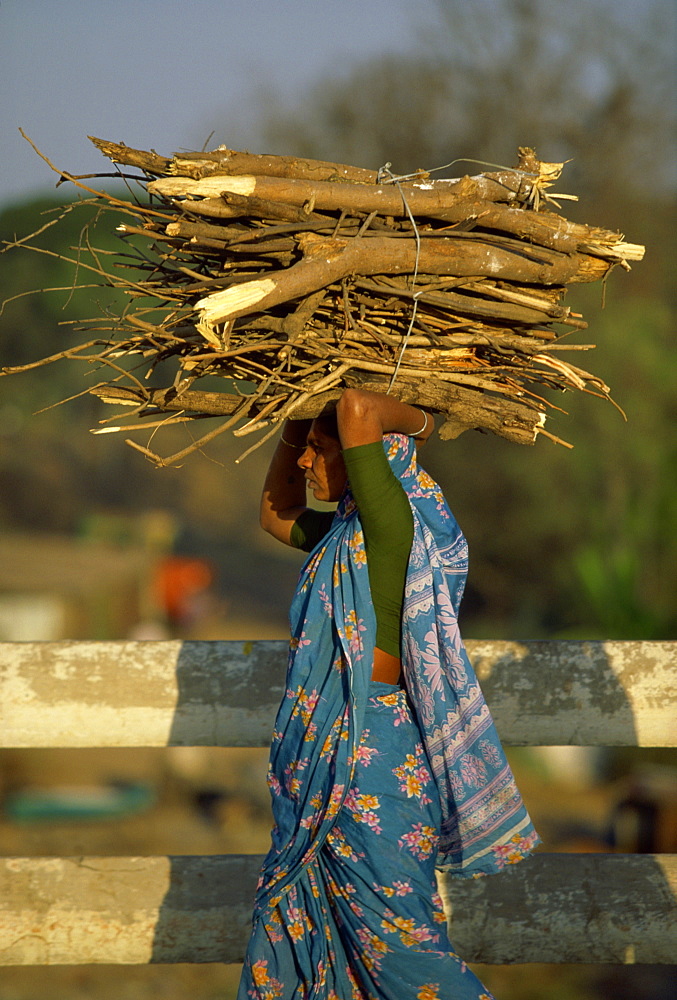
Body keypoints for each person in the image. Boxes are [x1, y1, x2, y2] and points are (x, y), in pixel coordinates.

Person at [237, 388, 539, 1000]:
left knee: (406, 958)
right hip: (329, 769)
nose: (302, 461)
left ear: (366, 453)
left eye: (319, 450)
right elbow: (274, 513)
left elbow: (356, 408)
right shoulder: (339, 536)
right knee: (307, 947)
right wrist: (297, 414)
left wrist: (425, 422)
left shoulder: (389, 532)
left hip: (368, 767)